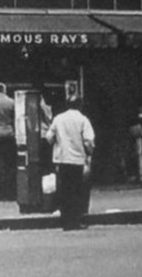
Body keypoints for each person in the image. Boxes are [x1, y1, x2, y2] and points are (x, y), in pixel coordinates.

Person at [45, 95, 95, 231]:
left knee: (65, 191)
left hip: (61, 160)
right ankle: (75, 221)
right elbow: (89, 141)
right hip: (77, 160)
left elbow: (49, 137)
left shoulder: (58, 118)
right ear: (80, 105)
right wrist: (89, 153)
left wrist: (57, 143)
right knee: (76, 191)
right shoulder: (83, 120)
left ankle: (65, 222)